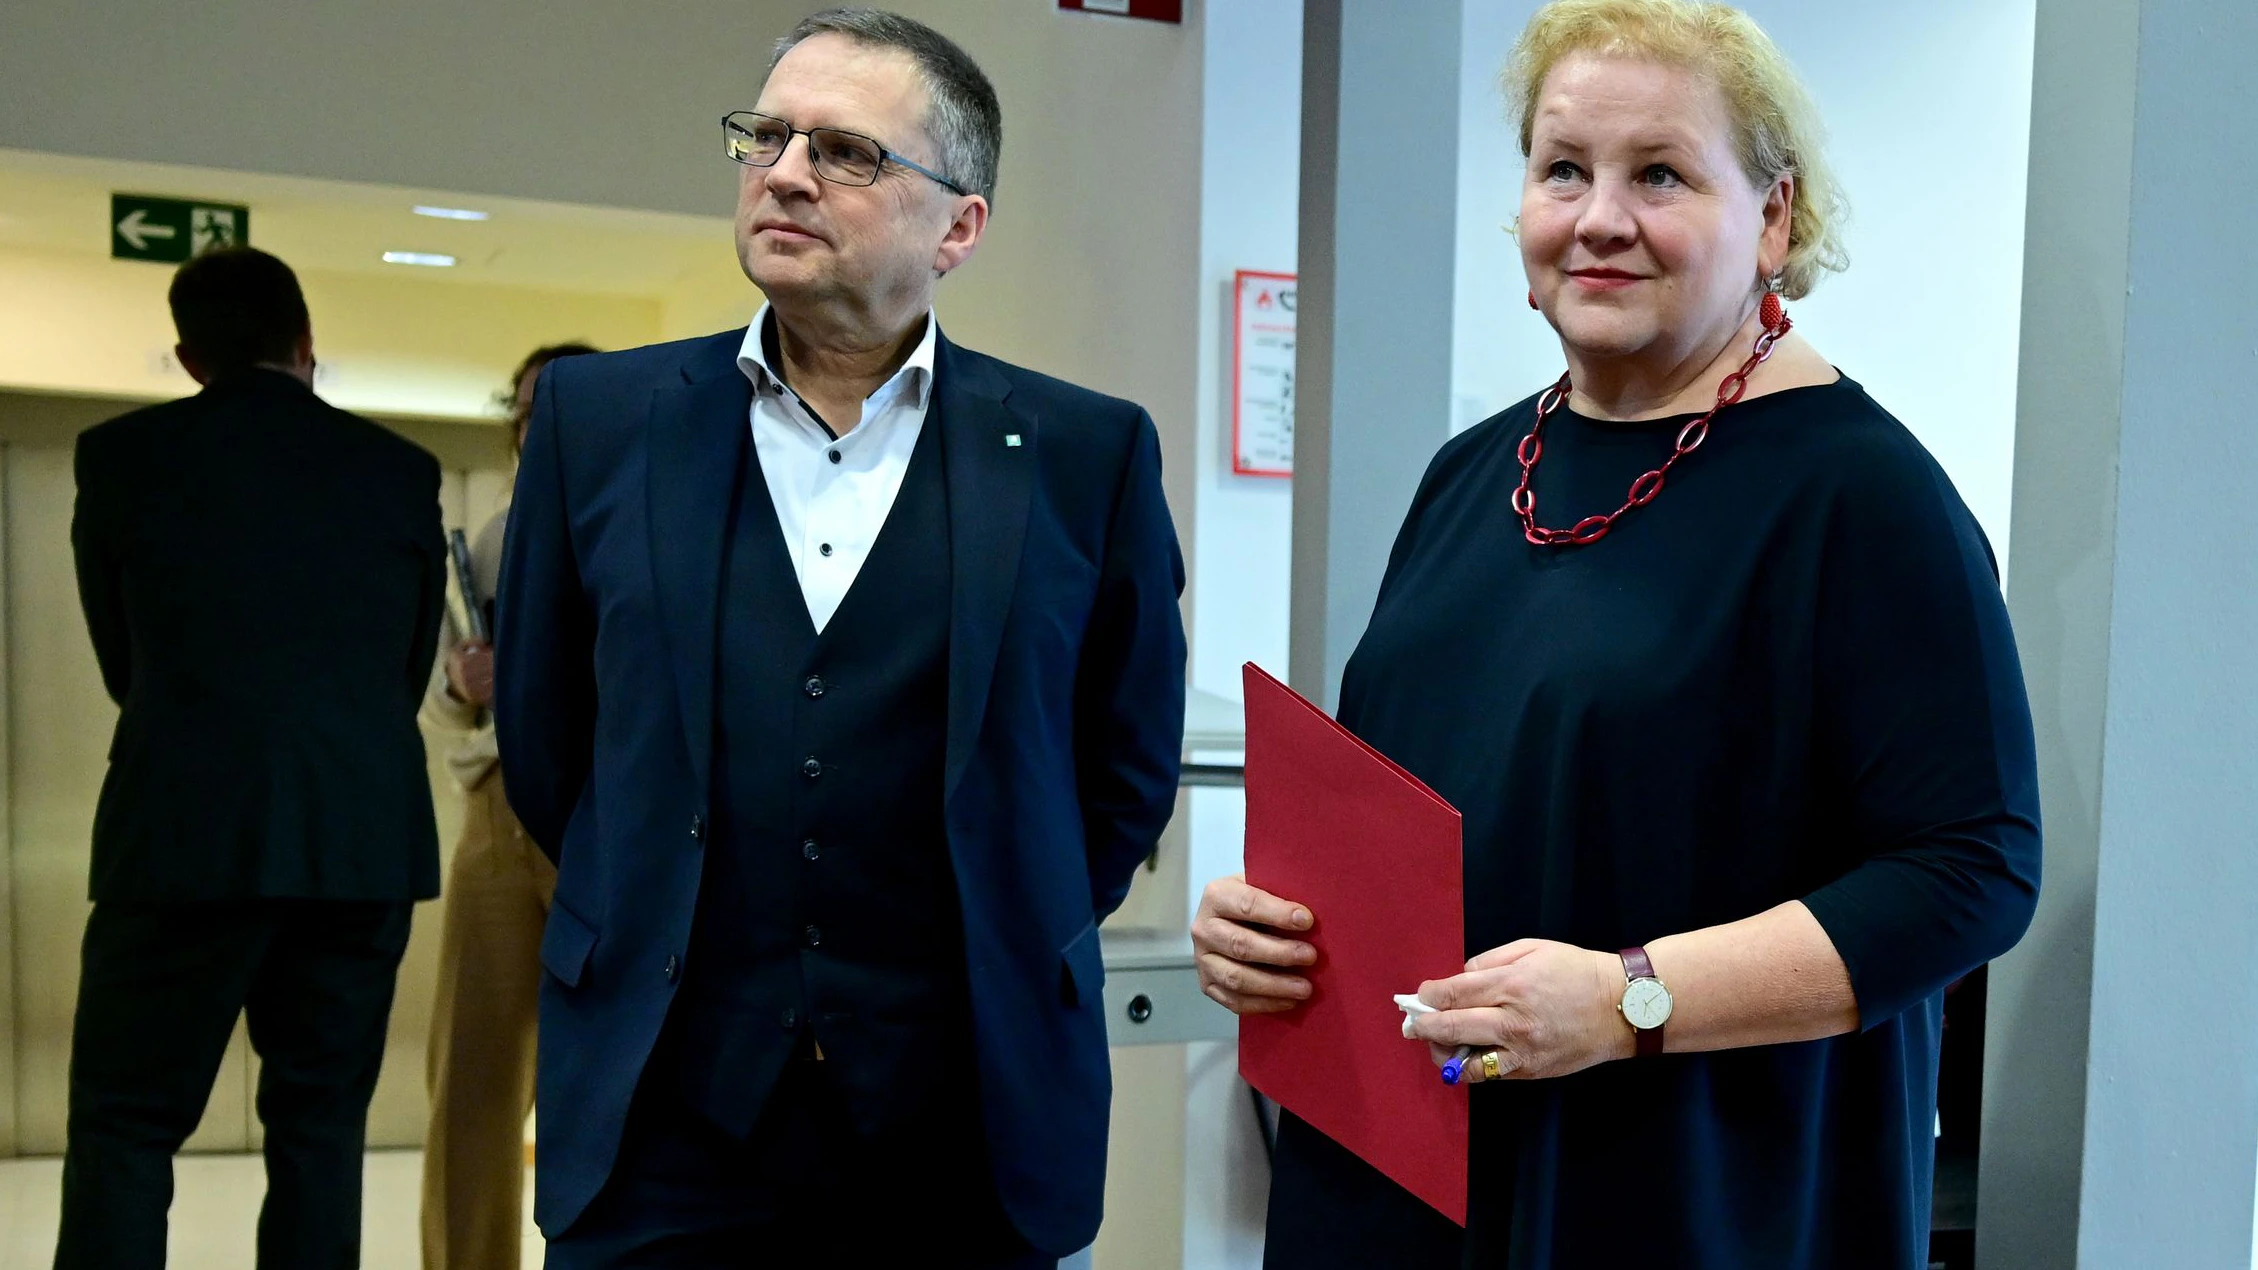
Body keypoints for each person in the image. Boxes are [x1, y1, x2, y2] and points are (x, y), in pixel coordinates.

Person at [1191, 2, 2041, 1267]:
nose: (1596, 218)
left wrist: (1625, 999)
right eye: (1560, 170)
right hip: (1401, 1169)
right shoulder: (1474, 473)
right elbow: (1416, 798)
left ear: (1770, 218)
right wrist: (1272, 925)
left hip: (1682, 1191)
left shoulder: (1862, 498)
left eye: (1657, 173)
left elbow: (1970, 872)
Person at [495, 9, 1186, 1267]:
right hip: (665, 1118)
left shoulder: (1084, 455)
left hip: (962, 1129)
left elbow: (1121, 768)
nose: (788, 171)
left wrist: (998, 917)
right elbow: (547, 744)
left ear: (958, 225)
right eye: (767, 136)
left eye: (850, 152)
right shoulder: (603, 423)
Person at [62, 246, 446, 1269]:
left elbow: (121, 659)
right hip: (357, 841)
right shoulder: (399, 469)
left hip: (183, 834)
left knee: (127, 1125)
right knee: (320, 1133)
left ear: (189, 356)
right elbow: (404, 668)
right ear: (306, 341)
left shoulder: (123, 456)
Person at [419, 341, 597, 1270]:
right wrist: (462, 681)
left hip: (606, 813)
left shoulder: (653, 523)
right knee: (473, 1078)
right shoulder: (490, 535)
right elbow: (447, 696)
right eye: (530, 413)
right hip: (496, 804)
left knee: (621, 1070)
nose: (544, 426)